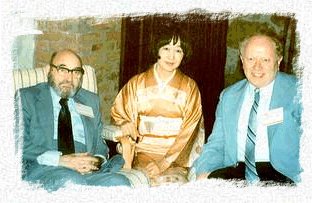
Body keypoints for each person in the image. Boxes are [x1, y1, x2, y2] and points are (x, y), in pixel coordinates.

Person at [190, 34, 302, 185]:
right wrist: (204, 172)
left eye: (265, 60)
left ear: (279, 60)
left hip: (282, 175)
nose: (257, 67)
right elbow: (217, 144)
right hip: (236, 172)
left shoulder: (298, 91)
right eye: (251, 59)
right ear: (242, 61)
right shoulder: (229, 96)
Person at [14, 49, 131, 191]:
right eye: (63, 70)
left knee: (120, 182)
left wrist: (95, 161)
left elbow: (100, 146)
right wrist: (61, 160)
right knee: (72, 181)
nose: (69, 78)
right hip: (46, 169)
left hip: (87, 172)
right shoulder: (27, 98)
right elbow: (18, 143)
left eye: (76, 72)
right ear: (50, 71)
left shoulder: (90, 100)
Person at [110, 29, 204, 186]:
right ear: (157, 50)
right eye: (166, 48)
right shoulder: (137, 83)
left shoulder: (190, 87)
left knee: (172, 184)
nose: (171, 56)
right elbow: (119, 113)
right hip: (144, 153)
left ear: (184, 55)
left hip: (176, 157)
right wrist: (124, 122)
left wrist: (164, 163)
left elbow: (191, 131)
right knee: (147, 180)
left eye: (178, 50)